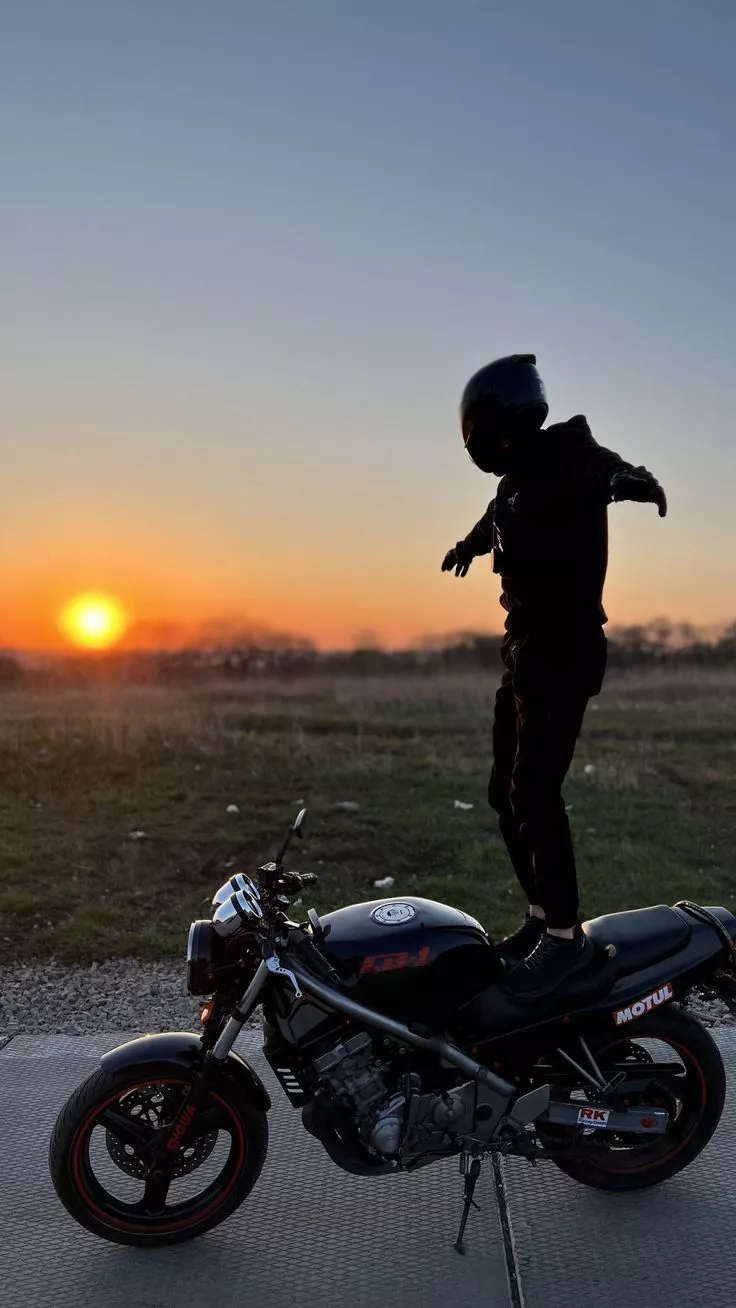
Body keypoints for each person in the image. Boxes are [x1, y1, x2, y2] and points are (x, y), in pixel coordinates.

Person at [442, 354, 667, 999]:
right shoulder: (514, 483)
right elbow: (494, 520)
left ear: (497, 423)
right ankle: (542, 918)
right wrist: (466, 547)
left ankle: (565, 940)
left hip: (564, 652)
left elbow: (603, 470)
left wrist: (634, 481)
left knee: (534, 791)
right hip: (525, 654)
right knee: (504, 791)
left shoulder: (567, 452)